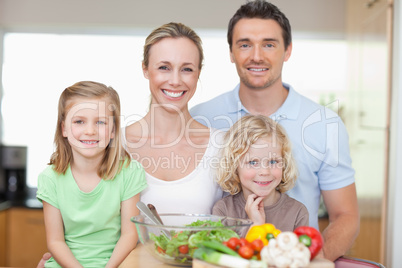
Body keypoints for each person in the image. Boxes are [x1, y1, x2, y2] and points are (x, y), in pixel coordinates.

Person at [190, 0, 359, 261]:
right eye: (245, 44)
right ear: (231, 52)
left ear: (287, 50)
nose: (256, 55)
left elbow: (345, 215)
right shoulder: (201, 118)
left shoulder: (325, 123)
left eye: (269, 44)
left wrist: (308, 262)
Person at [36, 81, 147, 267]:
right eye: (79, 121)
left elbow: (129, 235)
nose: (90, 131)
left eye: (101, 122)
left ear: (112, 130)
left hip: (115, 263)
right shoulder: (49, 178)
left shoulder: (130, 172)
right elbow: (55, 241)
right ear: (64, 128)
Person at [122, 22, 224, 214]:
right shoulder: (115, 145)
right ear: (145, 69)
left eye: (187, 69)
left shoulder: (222, 146)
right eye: (164, 67)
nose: (176, 81)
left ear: (198, 73)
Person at [213, 114, 309, 234]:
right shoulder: (224, 211)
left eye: (273, 161)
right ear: (234, 166)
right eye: (253, 162)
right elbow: (223, 252)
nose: (264, 171)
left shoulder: (297, 212)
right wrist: (255, 226)